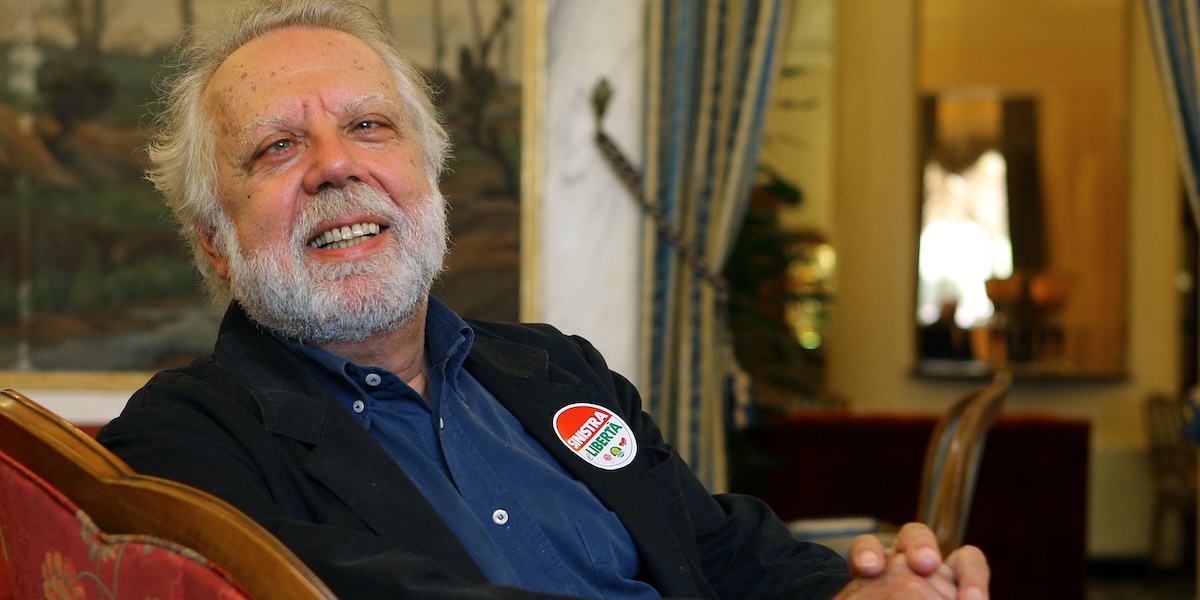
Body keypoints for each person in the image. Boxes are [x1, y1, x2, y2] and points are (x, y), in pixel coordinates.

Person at [96, 1, 990, 598]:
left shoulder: (555, 367)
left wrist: (854, 590)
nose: (337, 164)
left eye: (369, 126)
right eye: (278, 147)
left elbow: (712, 546)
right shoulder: (178, 442)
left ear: (427, 174)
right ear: (213, 239)